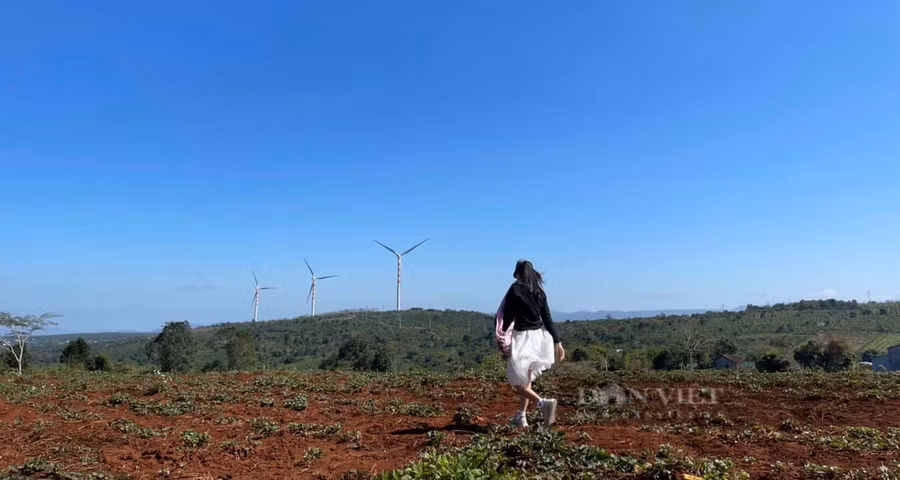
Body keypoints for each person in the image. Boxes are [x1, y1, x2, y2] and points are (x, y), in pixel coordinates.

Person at [501, 259, 565, 427]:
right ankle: (521, 416)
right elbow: (548, 320)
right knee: (526, 379)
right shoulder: (540, 292)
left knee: (517, 380)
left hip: (521, 338)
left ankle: (543, 404)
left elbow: (507, 318)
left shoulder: (514, 290)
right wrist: (557, 342)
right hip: (539, 338)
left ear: (518, 274)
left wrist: (503, 341)